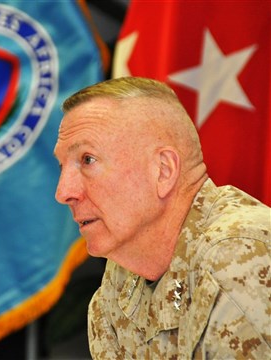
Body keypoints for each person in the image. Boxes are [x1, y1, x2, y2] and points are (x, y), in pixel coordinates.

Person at [53, 76, 270, 359]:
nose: (63, 192)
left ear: (164, 170)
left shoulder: (239, 254)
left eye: (87, 160)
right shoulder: (119, 285)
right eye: (62, 166)